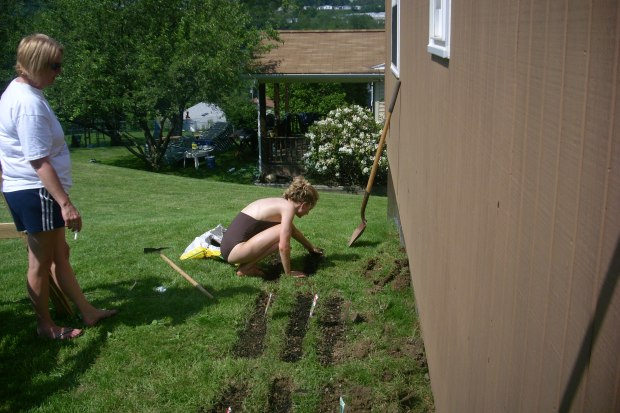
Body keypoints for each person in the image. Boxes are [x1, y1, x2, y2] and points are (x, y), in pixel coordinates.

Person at [0, 34, 117, 340]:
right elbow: (38, 161)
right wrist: (66, 204)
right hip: (36, 191)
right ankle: (46, 326)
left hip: (31, 190)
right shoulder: (27, 103)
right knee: (39, 263)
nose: (59, 72)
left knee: (60, 254)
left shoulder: (21, 90)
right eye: (54, 66)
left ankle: (87, 312)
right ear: (36, 63)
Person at [220, 176, 323, 278]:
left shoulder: (281, 203)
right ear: (304, 204)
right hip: (234, 251)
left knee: (283, 234)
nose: (307, 213)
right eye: (309, 209)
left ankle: (246, 268)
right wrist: (288, 273)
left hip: (227, 248)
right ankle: (247, 268)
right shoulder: (288, 209)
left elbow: (294, 232)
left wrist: (311, 248)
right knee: (282, 233)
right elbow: (284, 246)